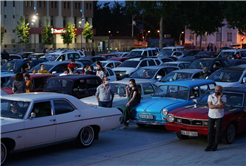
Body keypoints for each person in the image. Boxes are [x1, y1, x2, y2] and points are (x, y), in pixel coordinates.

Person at [205, 85, 226, 151]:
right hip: (211, 115)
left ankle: (215, 145)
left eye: (219, 91)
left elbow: (222, 107)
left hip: (219, 116)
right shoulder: (210, 96)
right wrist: (218, 106)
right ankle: (209, 145)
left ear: (221, 91)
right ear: (214, 90)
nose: (218, 92)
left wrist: (220, 98)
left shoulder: (224, 98)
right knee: (210, 131)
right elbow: (210, 106)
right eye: (217, 90)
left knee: (218, 131)